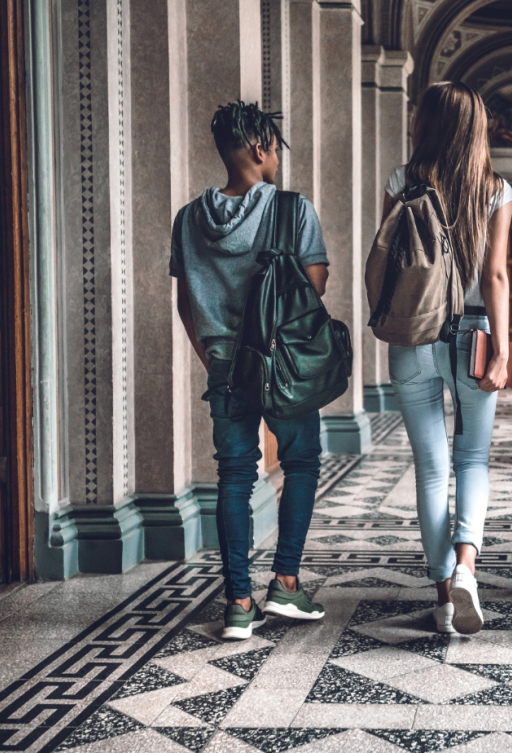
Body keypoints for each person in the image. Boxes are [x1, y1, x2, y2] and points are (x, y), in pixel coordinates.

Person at [172, 101, 328, 640]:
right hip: (284, 362)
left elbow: (186, 303)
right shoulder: (292, 209)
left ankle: (239, 603)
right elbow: (314, 289)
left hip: (224, 365)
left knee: (235, 477)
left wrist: (213, 357)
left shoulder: (190, 218)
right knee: (301, 460)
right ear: (261, 147)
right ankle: (285, 583)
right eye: (275, 150)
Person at [380, 82, 512, 635]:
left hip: (413, 334)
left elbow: (387, 259)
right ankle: (466, 567)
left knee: (432, 468)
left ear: (426, 124)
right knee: (472, 461)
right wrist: (505, 350)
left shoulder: (400, 181)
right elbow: (496, 275)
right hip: (475, 332)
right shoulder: (496, 189)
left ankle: (442, 595)